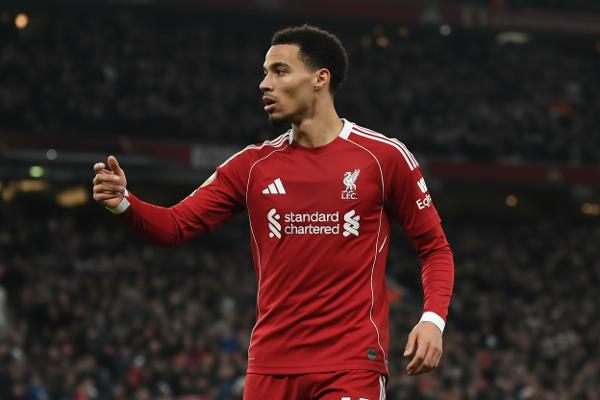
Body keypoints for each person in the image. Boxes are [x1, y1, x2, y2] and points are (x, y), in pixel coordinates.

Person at [92, 25, 454, 400]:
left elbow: (435, 248)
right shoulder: (252, 166)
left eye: (280, 71)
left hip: (349, 366)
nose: (265, 84)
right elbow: (174, 226)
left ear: (320, 78)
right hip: (269, 368)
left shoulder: (383, 157)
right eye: (265, 73)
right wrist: (124, 202)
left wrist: (432, 320)